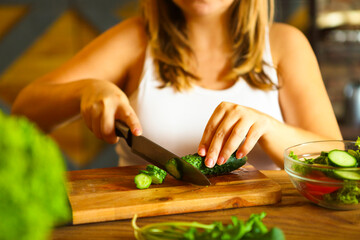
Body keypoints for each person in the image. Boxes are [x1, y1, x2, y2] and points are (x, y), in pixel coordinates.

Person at [12, 0, 342, 170]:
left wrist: (270, 129)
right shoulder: (135, 39)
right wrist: (84, 91)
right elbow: (25, 110)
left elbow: (333, 157)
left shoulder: (286, 45)